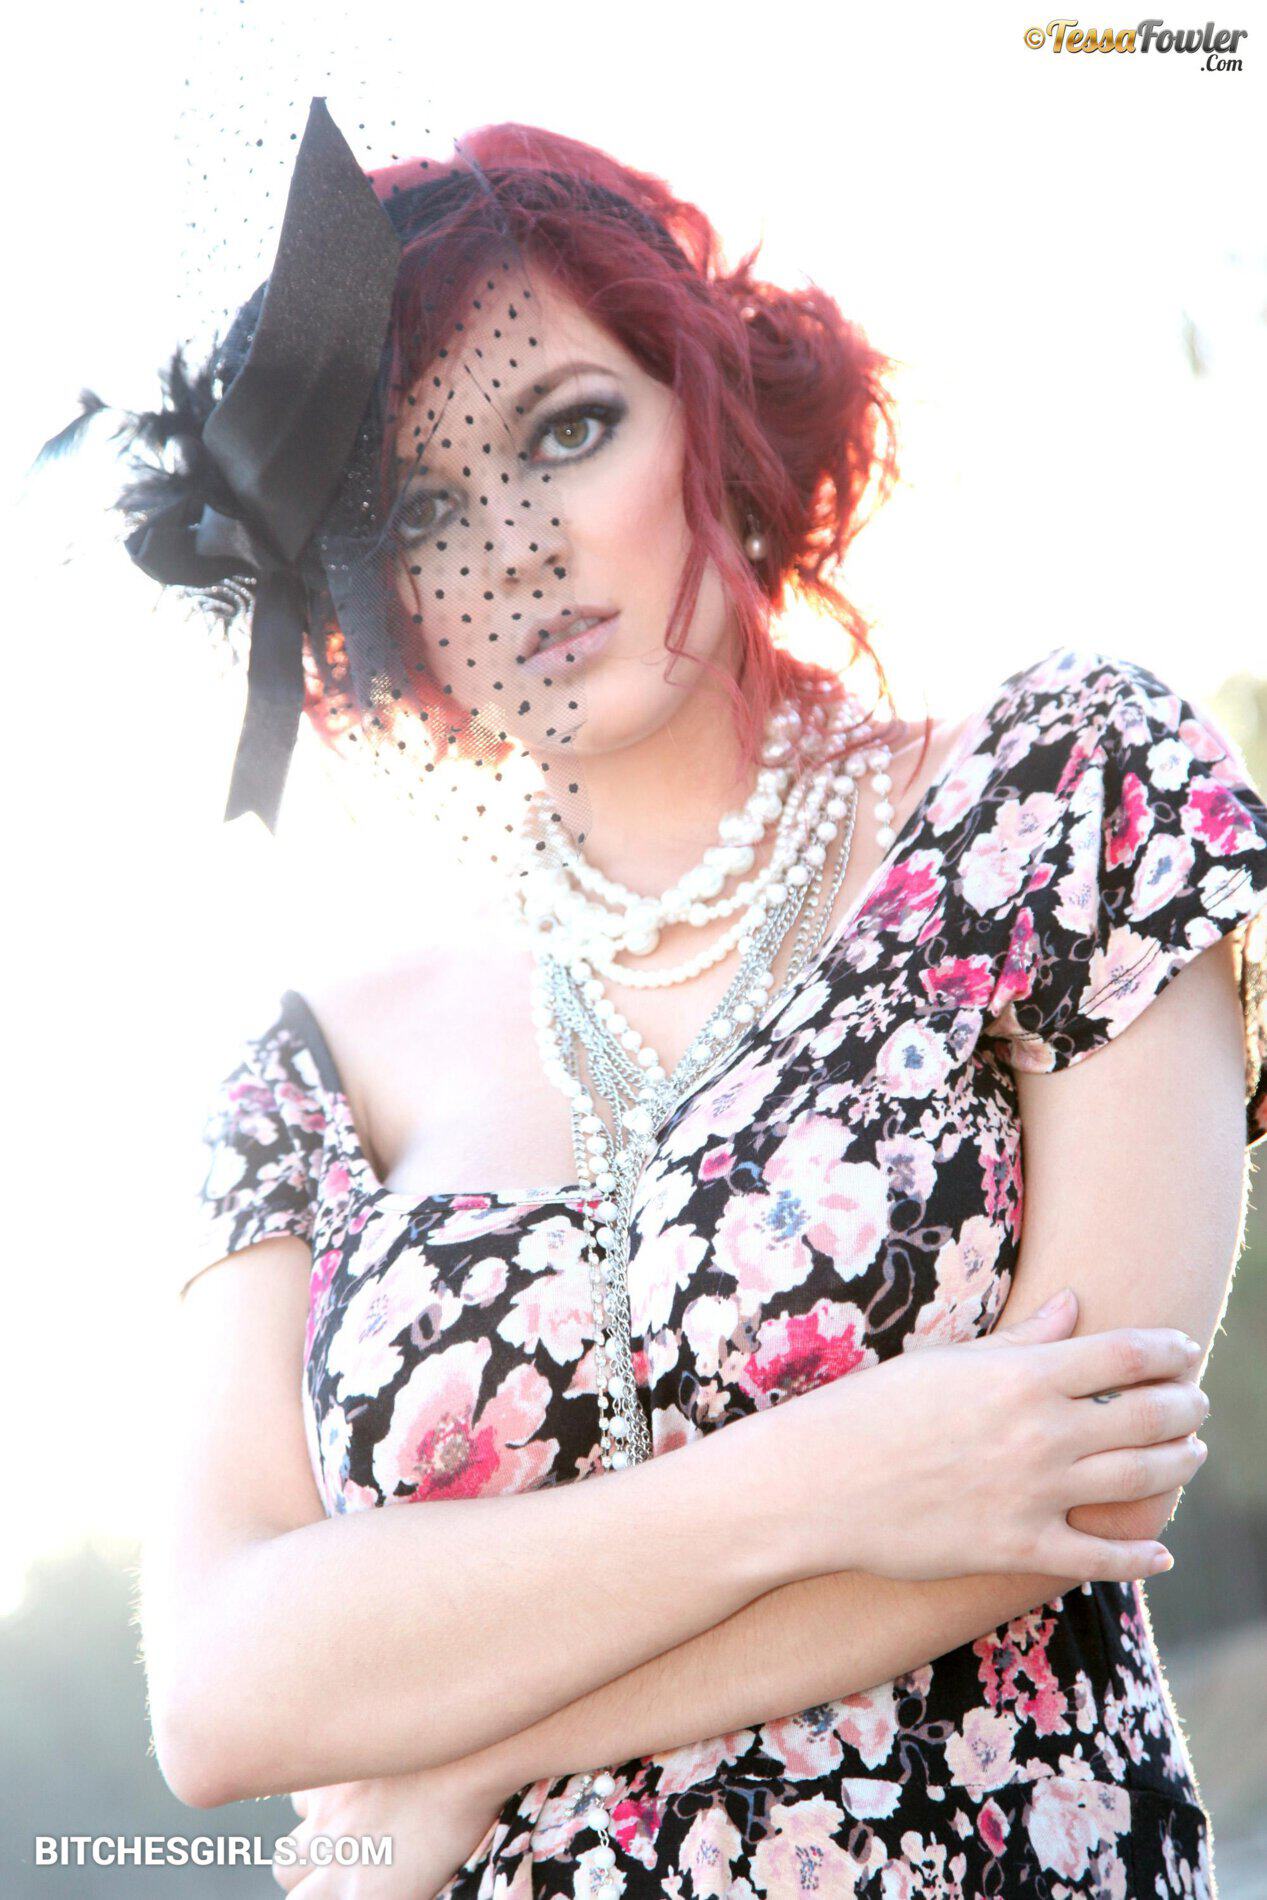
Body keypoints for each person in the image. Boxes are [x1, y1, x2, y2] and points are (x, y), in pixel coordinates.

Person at [61, 99, 1267, 1898]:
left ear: (710, 398)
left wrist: (469, 1757)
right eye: (421, 509)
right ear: (368, 596)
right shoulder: (308, 1064)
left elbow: (1089, 1481)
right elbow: (226, 1695)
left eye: (567, 429)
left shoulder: (1058, 785)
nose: (514, 548)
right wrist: (835, 1479)